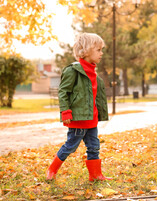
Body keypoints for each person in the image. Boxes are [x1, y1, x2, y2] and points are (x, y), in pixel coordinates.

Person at [47, 32, 112, 181]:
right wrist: (65, 111)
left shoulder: (95, 74)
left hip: (91, 119)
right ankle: (52, 169)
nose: (101, 53)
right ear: (87, 50)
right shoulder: (73, 71)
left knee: (94, 146)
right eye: (98, 50)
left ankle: (95, 175)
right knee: (71, 146)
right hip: (78, 119)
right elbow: (63, 91)